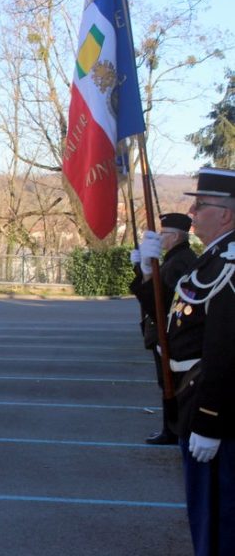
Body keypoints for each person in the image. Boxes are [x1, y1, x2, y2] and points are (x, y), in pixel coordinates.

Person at [145, 167, 235, 556]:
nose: (192, 212)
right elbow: (169, 317)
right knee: (205, 513)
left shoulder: (229, 267)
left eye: (200, 205)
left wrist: (210, 420)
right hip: (191, 399)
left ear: (226, 214)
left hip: (213, 410)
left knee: (219, 515)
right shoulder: (211, 260)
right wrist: (144, 271)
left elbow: (226, 351)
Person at [129, 212, 197, 444]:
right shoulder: (174, 258)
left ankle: (172, 429)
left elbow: (163, 299)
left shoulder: (181, 261)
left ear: (176, 236)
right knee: (166, 381)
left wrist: (146, 270)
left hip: (168, 331)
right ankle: (171, 428)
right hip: (162, 330)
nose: (160, 238)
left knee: (171, 383)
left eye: (164, 234)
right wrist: (141, 268)